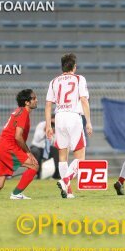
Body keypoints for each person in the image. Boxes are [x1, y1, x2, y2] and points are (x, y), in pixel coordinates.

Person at [45, 53, 93, 199]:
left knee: (62, 155)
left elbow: (48, 104)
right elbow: (84, 100)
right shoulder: (79, 79)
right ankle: (65, 180)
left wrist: (48, 125)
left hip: (59, 117)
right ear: (74, 67)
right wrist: (89, 122)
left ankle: (68, 191)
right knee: (80, 158)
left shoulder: (54, 81)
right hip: (73, 116)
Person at [30, 114, 60, 178]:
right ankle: (37, 174)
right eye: (51, 122)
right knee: (35, 151)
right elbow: (36, 139)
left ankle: (56, 174)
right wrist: (44, 131)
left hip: (47, 148)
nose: (52, 124)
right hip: (37, 146)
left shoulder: (57, 128)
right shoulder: (41, 125)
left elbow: (54, 143)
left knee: (56, 151)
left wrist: (53, 134)